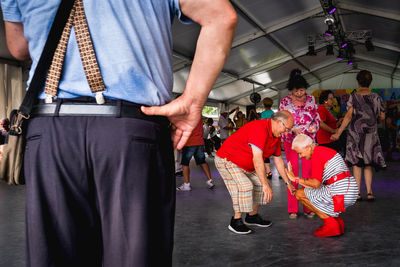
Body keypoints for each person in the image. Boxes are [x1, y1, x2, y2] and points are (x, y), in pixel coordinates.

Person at [1, 0, 237, 266]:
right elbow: (220, 17)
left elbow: (19, 47)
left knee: (55, 255)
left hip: (52, 128)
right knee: (135, 253)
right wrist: (193, 100)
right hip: (130, 128)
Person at [214, 111, 296, 235]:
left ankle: (251, 216)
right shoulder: (260, 128)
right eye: (287, 129)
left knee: (259, 185)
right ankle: (235, 221)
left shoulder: (276, 136)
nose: (286, 132)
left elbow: (278, 160)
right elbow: (257, 159)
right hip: (228, 160)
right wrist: (266, 184)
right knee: (245, 186)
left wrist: (287, 182)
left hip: (247, 165)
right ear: (279, 122)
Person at [285, 134, 358, 237]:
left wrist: (294, 179)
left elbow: (315, 184)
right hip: (348, 190)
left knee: (299, 194)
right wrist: (299, 182)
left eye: (300, 153)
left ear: (307, 147)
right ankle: (337, 222)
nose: (300, 156)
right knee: (304, 192)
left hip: (341, 192)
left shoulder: (317, 154)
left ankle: (330, 224)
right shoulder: (322, 150)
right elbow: (317, 184)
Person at [331, 70, 386, 202]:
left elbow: (349, 116)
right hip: (371, 134)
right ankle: (369, 192)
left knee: (357, 164)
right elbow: (382, 116)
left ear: (358, 82)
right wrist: (375, 121)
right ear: (370, 82)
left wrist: (338, 132)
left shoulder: (354, 97)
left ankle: (357, 194)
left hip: (355, 134)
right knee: (368, 164)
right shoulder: (376, 97)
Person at [279, 69, 320, 219]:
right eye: (296, 91)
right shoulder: (284, 102)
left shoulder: (311, 100)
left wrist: (314, 126)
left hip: (308, 142)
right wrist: (290, 129)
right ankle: (293, 208)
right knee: (292, 172)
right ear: (291, 90)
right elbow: (280, 121)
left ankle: (309, 207)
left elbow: (317, 118)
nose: (299, 94)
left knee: (309, 173)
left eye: (302, 90)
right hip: (291, 141)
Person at [177, 119, 215, 191]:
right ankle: (210, 181)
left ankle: (186, 185)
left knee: (185, 163)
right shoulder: (199, 115)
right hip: (199, 142)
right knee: (202, 162)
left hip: (189, 142)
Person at [261, 97, 274, 179]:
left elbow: (262, 124)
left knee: (265, 155)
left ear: (263, 104)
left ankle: (268, 172)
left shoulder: (263, 113)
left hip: (266, 135)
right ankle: (280, 173)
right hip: (273, 135)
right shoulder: (273, 113)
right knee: (276, 155)